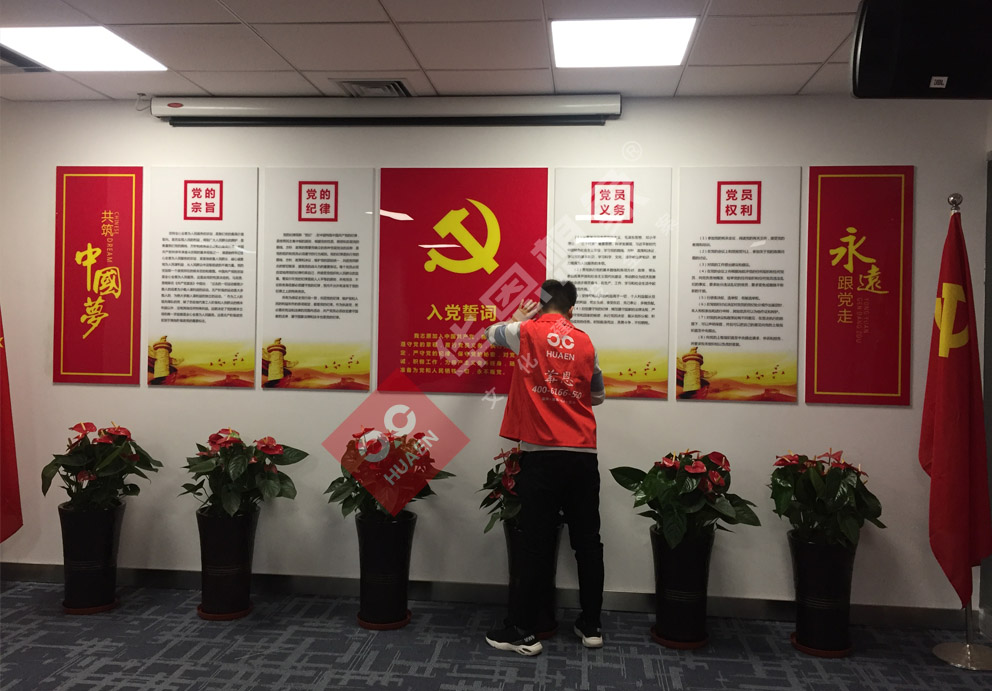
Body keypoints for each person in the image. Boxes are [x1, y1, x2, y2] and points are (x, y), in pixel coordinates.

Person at [483, 279, 606, 656]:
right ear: (571, 309)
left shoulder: (524, 332)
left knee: (534, 543)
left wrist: (518, 317)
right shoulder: (585, 342)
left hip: (541, 455)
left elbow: (490, 334)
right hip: (582, 454)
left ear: (540, 306)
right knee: (588, 542)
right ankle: (591, 625)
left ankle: (522, 630)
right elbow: (598, 396)